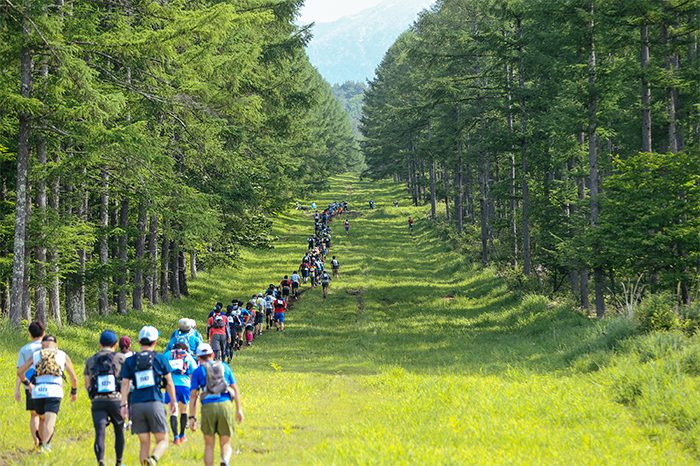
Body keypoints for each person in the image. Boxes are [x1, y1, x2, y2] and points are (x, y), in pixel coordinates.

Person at [119, 326, 178, 466]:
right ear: (155, 342)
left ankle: (147, 462)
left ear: (139, 341)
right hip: (155, 403)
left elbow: (125, 384)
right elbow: (169, 383)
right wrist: (173, 401)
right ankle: (153, 459)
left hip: (137, 405)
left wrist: (123, 405)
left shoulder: (130, 361)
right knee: (162, 440)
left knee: (144, 443)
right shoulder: (160, 358)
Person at [17, 334, 78, 453]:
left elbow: (20, 372)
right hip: (54, 390)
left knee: (42, 419)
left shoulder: (36, 355)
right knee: (50, 420)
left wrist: (28, 384)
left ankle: (40, 444)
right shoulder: (62, 355)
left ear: (42, 344)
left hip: (38, 391)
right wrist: (73, 391)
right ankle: (45, 446)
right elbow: (74, 378)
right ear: (56, 344)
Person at [188, 343, 243, 466]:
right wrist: (239, 409)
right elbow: (235, 388)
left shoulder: (198, 371)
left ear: (198, 357)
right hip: (225, 404)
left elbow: (193, 396)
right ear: (212, 354)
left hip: (208, 407)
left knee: (209, 445)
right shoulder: (224, 367)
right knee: (225, 443)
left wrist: (192, 418)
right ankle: (225, 461)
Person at [84, 330, 126, 466]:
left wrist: (93, 396)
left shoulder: (91, 360)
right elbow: (126, 381)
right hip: (116, 399)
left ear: (100, 343)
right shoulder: (120, 358)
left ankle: (100, 461)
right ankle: (119, 462)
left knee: (100, 432)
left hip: (98, 401)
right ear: (115, 344)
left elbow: (87, 383)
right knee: (119, 431)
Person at [15, 320, 45, 449]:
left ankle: (36, 441)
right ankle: (45, 442)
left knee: (34, 415)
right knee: (44, 416)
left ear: (30, 334)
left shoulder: (25, 349)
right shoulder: (48, 347)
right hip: (46, 384)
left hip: (30, 385)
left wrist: (17, 389)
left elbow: (20, 371)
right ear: (43, 332)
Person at [163, 341, 198, 445]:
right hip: (185, 385)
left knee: (173, 411)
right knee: (184, 410)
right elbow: (194, 371)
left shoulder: (168, 354)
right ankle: (183, 435)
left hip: (171, 385)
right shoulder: (188, 356)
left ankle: (176, 437)